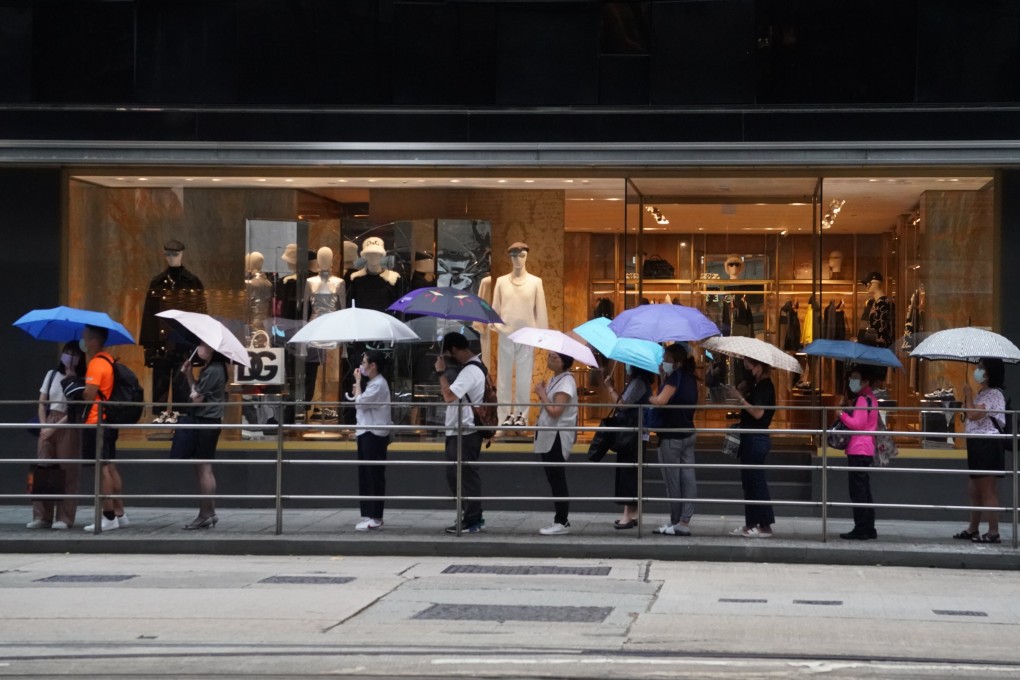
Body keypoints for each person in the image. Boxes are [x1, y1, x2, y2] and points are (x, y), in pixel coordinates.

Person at [140, 239, 207, 422]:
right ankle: (160, 412)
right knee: (160, 376)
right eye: (168, 254)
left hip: (184, 339)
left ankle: (179, 412)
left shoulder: (193, 282)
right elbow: (149, 316)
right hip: (162, 339)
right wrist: (149, 344)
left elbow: (200, 314)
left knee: (182, 377)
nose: (171, 258)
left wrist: (200, 342)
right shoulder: (158, 282)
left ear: (182, 254)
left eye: (175, 254)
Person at [27, 341, 86, 530]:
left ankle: (65, 517)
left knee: (68, 471)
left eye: (75, 354)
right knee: (42, 469)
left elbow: (75, 410)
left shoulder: (82, 380)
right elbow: (42, 401)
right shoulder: (51, 375)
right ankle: (42, 516)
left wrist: (55, 427)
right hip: (49, 420)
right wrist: (45, 425)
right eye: (68, 353)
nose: (70, 357)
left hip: (68, 424)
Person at [171, 341, 228, 530]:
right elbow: (198, 391)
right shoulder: (212, 369)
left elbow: (197, 399)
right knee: (203, 467)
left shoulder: (214, 370)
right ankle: (208, 512)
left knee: (204, 468)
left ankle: (206, 513)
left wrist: (193, 392)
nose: (200, 348)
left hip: (206, 422)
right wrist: (189, 375)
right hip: (208, 421)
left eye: (204, 344)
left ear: (213, 348)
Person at [435, 332, 487, 534]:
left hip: (464, 431)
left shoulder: (470, 371)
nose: (451, 358)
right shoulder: (475, 367)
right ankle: (470, 516)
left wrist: (441, 373)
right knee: (458, 475)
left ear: (455, 350)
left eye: (451, 354)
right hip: (462, 429)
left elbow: (449, 396)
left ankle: (472, 519)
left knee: (463, 477)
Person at [491, 242, 548, 427]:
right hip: (505, 333)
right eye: (514, 256)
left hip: (527, 335)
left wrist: (541, 333)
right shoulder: (501, 281)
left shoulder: (535, 282)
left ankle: (521, 417)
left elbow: (541, 310)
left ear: (527, 256)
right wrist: (496, 326)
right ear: (509, 258)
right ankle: (503, 418)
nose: (518, 259)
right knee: (504, 378)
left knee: (524, 378)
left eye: (521, 255)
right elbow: (496, 309)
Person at [81, 324, 129, 533]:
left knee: (101, 470)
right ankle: (120, 512)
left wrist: (78, 390)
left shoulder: (96, 364)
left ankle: (108, 515)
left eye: (86, 337)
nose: (83, 341)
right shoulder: (109, 361)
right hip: (108, 420)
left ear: (94, 340)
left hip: (95, 422)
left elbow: (89, 395)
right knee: (109, 466)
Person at [648, 343, 698, 537]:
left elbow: (661, 401)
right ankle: (685, 520)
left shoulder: (675, 377)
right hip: (688, 432)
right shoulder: (690, 378)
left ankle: (675, 521)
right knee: (688, 477)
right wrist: (663, 378)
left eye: (666, 359)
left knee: (673, 480)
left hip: (671, 436)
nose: (663, 362)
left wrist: (648, 398)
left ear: (676, 361)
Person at [955, 357, 1007, 544]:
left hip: (988, 444)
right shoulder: (982, 393)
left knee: (987, 490)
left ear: (990, 372)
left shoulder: (994, 394)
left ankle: (993, 532)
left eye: (981, 368)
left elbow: (975, 415)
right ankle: (973, 528)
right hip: (977, 443)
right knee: (974, 489)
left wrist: (968, 395)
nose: (977, 371)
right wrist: (970, 397)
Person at [726, 357, 776, 538]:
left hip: (757, 437)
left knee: (756, 481)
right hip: (749, 437)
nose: (746, 368)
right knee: (748, 483)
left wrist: (740, 398)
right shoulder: (756, 385)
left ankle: (765, 525)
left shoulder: (765, 386)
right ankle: (751, 523)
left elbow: (758, 412)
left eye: (749, 365)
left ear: (759, 366)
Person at [603, 364, 654, 529]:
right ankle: (633, 512)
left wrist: (610, 388)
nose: (627, 367)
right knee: (631, 471)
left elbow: (622, 405)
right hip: (634, 433)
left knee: (629, 471)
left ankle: (628, 515)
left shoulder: (638, 383)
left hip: (632, 434)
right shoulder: (639, 383)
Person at [533, 351, 578, 535]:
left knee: (557, 477)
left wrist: (542, 394)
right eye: (550, 356)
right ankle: (560, 519)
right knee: (553, 477)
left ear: (563, 362)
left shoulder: (566, 382)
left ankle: (562, 520)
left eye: (555, 357)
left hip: (557, 436)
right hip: (549, 434)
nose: (550, 359)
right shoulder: (555, 379)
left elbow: (555, 411)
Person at [351, 350, 392, 531]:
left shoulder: (378, 385)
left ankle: (375, 516)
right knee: (366, 475)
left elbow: (360, 404)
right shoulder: (374, 384)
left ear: (373, 365)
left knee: (373, 475)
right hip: (367, 432)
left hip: (373, 434)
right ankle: (369, 514)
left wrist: (358, 383)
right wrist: (359, 389)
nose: (362, 364)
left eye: (364, 361)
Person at [838, 365, 879, 540]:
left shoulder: (863, 400)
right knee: (864, 489)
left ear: (865, 381)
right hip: (866, 448)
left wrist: (841, 414)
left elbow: (857, 424)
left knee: (858, 491)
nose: (851, 381)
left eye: (856, 378)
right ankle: (868, 527)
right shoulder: (871, 399)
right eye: (851, 377)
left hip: (858, 448)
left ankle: (861, 527)